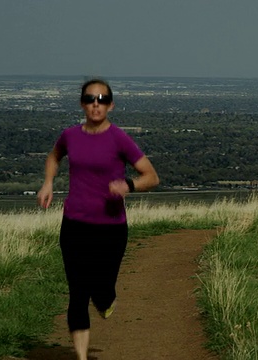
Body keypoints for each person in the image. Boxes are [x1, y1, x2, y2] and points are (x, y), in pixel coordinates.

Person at [37, 78, 159, 360]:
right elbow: (54, 157)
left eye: (102, 99)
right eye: (91, 98)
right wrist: (47, 183)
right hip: (75, 224)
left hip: (111, 229)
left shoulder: (119, 139)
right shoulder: (70, 135)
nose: (96, 103)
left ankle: (105, 299)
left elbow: (151, 177)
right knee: (78, 293)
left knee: (101, 293)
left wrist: (128, 185)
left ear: (111, 105)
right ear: (82, 103)